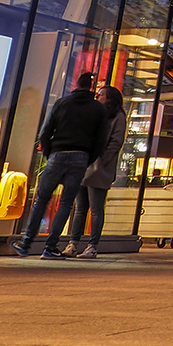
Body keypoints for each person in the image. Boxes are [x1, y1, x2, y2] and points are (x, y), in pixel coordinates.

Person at [13, 72, 107, 258]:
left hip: (57, 153)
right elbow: (101, 140)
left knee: (42, 199)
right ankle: (50, 247)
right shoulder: (98, 109)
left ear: (76, 84)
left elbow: (45, 131)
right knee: (66, 202)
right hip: (81, 156)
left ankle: (26, 243)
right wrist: (88, 158)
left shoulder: (62, 103)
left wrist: (49, 153)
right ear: (92, 88)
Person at [63, 85, 126, 259]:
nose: (98, 97)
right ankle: (73, 243)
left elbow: (116, 142)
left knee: (96, 208)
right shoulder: (96, 113)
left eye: (101, 95)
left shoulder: (117, 117)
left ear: (110, 99)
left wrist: (101, 159)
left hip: (99, 168)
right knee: (80, 208)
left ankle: (92, 246)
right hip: (85, 165)